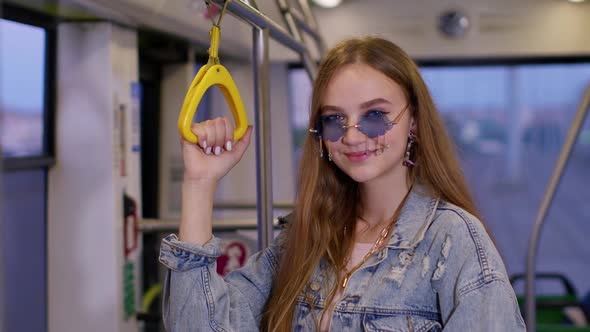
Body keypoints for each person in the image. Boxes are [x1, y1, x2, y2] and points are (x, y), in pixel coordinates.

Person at [159, 37, 526, 331]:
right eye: (335, 119)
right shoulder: (306, 237)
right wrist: (199, 183)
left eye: (375, 116)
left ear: (412, 121)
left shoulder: (452, 241)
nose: (352, 136)